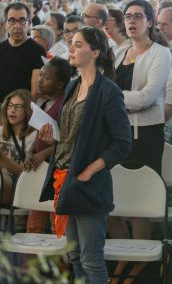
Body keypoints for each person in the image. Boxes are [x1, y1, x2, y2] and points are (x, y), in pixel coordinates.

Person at [38, 26, 131, 284]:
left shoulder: (108, 91)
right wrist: (54, 138)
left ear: (95, 52)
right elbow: (73, 135)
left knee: (91, 258)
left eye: (78, 44)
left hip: (89, 184)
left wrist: (91, 170)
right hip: (66, 179)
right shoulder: (72, 85)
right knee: (76, 256)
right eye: (72, 43)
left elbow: (122, 144)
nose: (72, 48)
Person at [109, 0, 170, 284]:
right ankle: (124, 256)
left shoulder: (160, 53)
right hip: (117, 133)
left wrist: (114, 99)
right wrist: (121, 101)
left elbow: (147, 98)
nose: (131, 21)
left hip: (146, 134)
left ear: (150, 21)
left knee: (140, 202)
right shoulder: (120, 52)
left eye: (138, 16)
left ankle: (140, 264)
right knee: (114, 200)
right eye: (128, 16)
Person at [25, 57, 73, 234]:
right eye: (41, 75)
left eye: (47, 78)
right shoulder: (45, 103)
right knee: (34, 224)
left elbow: (67, 142)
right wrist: (30, 152)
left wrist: (43, 154)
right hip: (39, 169)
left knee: (56, 224)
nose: (40, 80)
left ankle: (60, 262)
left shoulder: (64, 106)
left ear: (60, 84)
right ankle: (31, 262)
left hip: (56, 172)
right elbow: (37, 135)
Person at [0, 2, 46, 102]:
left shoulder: (37, 51)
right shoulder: (1, 48)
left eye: (22, 21)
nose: (17, 26)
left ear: (29, 24)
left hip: (21, 110)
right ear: (5, 24)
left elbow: (35, 92)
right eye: (11, 21)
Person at [0, 89, 36, 207]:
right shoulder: (1, 131)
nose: (12, 110)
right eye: (9, 105)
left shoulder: (33, 136)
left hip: (17, 186)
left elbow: (26, 174)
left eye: (18, 107)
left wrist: (3, 159)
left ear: (27, 111)